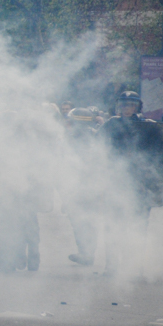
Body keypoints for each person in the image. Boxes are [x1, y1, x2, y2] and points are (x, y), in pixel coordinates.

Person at [99, 91, 163, 274]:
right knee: (112, 224)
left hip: (140, 182)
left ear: (137, 107)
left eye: (131, 105)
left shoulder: (149, 127)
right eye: (124, 104)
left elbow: (158, 154)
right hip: (116, 181)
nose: (127, 108)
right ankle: (111, 265)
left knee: (138, 225)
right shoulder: (111, 125)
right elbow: (98, 149)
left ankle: (134, 265)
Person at [62, 107, 101, 266]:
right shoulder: (95, 135)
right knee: (85, 221)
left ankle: (87, 253)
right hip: (87, 185)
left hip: (83, 186)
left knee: (81, 221)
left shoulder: (72, 138)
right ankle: (87, 252)